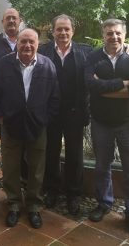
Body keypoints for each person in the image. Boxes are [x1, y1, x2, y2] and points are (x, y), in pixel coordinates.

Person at [84, 19, 129, 237]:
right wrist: (125, 83)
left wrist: (106, 88)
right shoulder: (93, 57)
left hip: (128, 123)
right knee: (102, 166)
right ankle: (104, 204)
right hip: (101, 123)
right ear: (103, 35)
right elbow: (90, 85)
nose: (114, 37)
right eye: (109, 33)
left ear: (124, 35)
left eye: (118, 33)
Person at [0, 28, 60, 229]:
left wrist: (45, 119)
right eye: (23, 42)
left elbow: (55, 98)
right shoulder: (4, 64)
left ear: (38, 44)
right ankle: (13, 204)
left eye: (31, 42)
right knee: (11, 166)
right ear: (17, 44)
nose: (27, 46)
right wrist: (1, 116)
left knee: (37, 168)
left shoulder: (47, 65)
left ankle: (33, 206)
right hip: (11, 124)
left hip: (38, 125)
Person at [38, 14, 92, 214]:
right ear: (52, 32)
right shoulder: (42, 51)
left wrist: (128, 49)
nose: (62, 33)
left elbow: (106, 56)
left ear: (73, 31)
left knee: (74, 155)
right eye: (59, 29)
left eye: (66, 29)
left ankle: (73, 194)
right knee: (50, 153)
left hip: (74, 113)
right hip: (51, 114)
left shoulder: (85, 53)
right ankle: (52, 189)